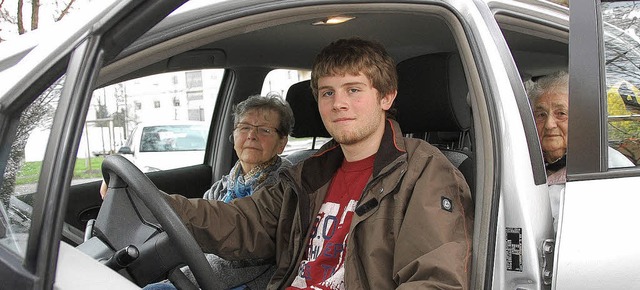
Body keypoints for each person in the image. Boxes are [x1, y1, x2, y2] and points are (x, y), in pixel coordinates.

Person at [159, 37, 473, 289]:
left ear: (386, 97)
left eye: (353, 89)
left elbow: (433, 280)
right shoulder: (308, 173)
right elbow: (241, 221)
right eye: (327, 93)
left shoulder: (425, 173)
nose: (339, 103)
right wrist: (157, 205)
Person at [104, 94, 295, 290]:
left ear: (282, 143)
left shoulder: (286, 188)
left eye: (264, 129)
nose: (251, 135)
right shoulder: (223, 186)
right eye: (244, 127)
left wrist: (180, 279)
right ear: (234, 135)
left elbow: (246, 258)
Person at [527, 70, 633, 230]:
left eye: (561, 113)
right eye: (541, 115)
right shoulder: (525, 161)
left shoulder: (606, 165)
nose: (549, 124)